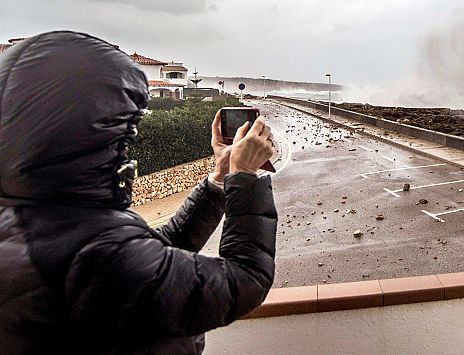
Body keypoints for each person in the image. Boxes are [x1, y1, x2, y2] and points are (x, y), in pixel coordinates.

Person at [0, 31, 278, 354]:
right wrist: (245, 176)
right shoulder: (99, 255)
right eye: (124, 136)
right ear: (86, 136)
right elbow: (243, 279)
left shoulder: (37, 217)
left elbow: (155, 253)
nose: (127, 153)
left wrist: (218, 179)